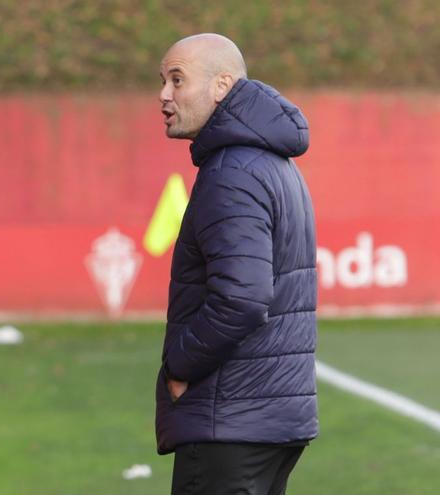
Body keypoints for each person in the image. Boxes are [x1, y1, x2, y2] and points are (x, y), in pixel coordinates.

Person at [155, 33, 318, 495]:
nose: (164, 95)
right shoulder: (271, 163)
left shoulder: (232, 173)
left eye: (178, 80)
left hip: (229, 420)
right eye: (163, 81)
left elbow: (243, 298)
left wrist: (180, 366)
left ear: (222, 85)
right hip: (263, 418)